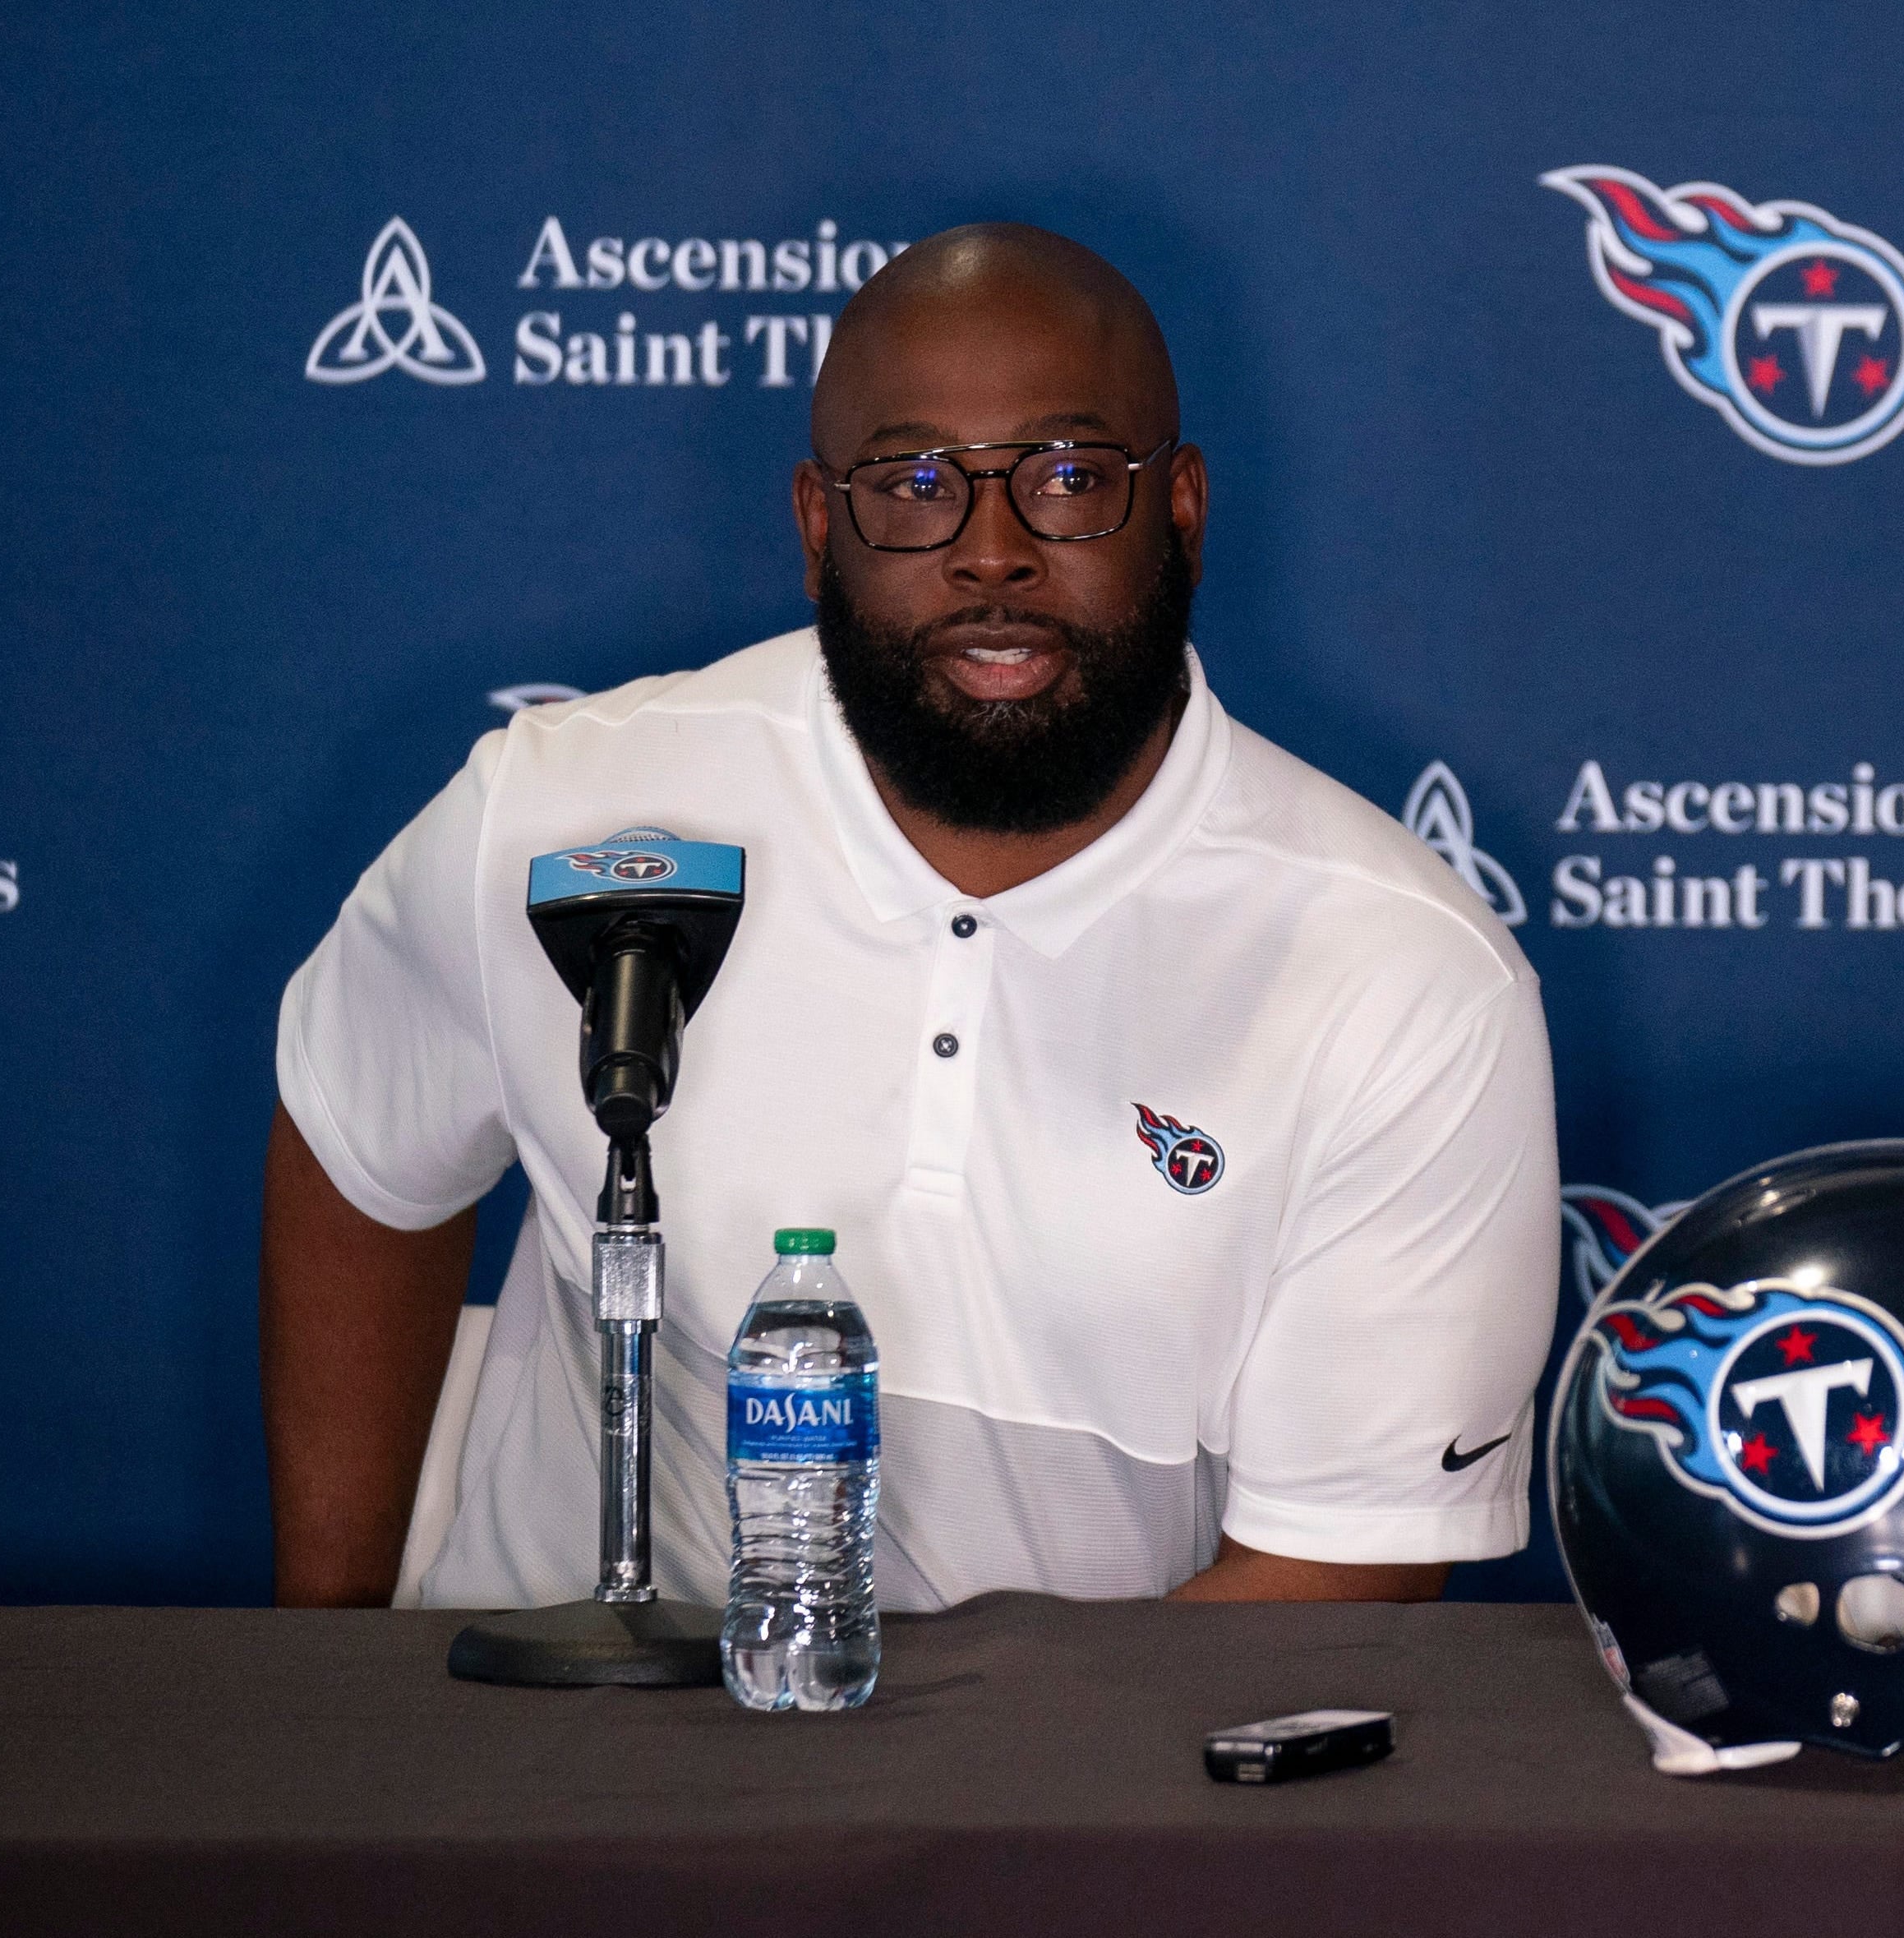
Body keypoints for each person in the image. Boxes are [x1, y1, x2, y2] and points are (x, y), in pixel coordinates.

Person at [262, 223, 1558, 1613]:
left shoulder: (1405, 980)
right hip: (543, 1775)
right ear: (820, 531)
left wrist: (941, 1808)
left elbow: (1336, 1572)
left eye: (1067, 479)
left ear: (1181, 508)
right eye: (914, 482)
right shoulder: (567, 818)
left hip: (1073, 1801)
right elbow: (358, 1152)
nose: (990, 553)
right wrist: (326, 1666)